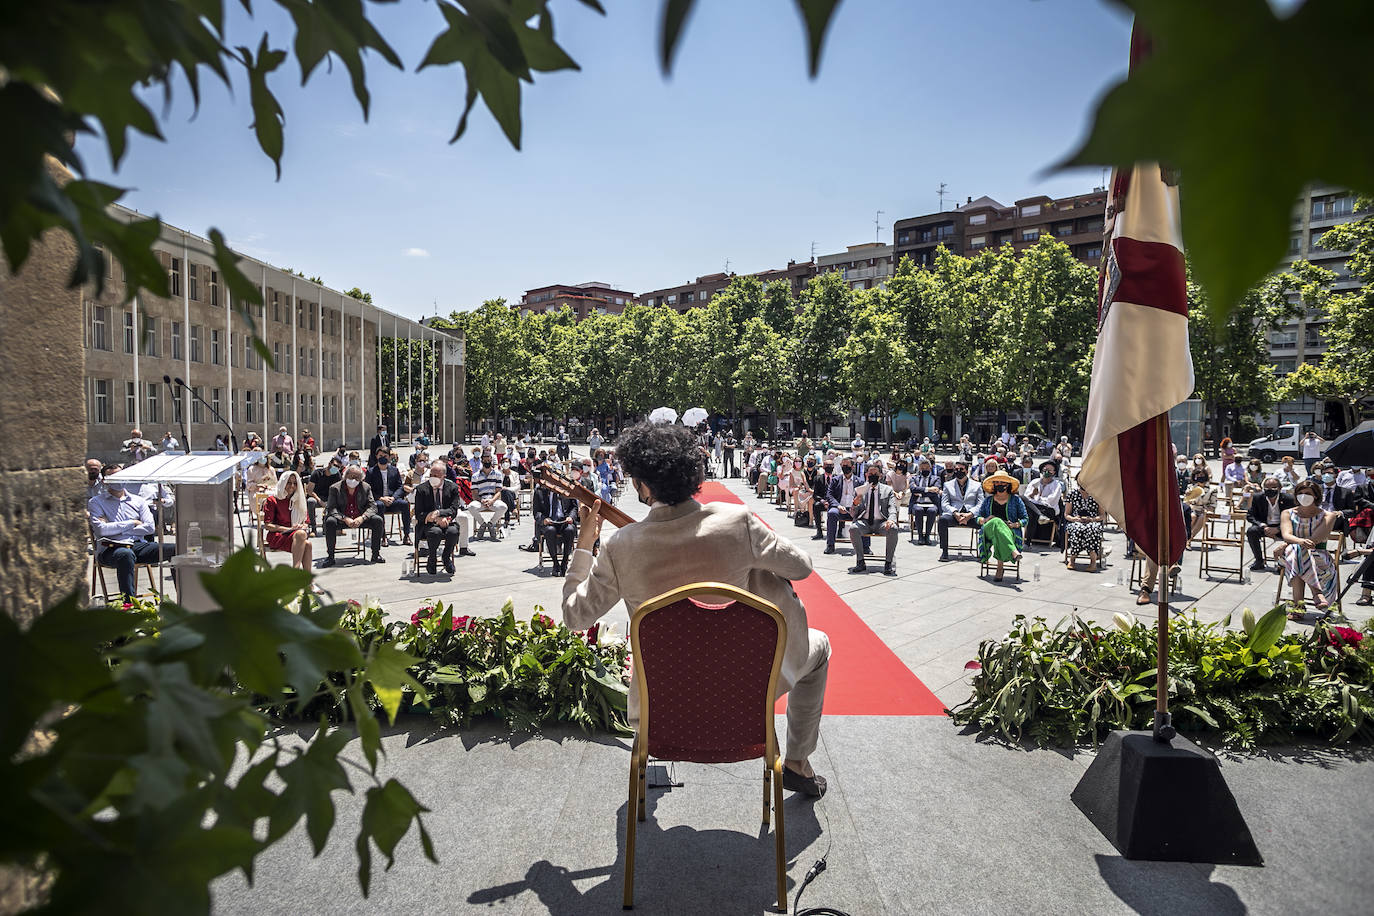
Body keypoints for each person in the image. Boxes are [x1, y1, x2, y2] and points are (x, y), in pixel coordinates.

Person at [561, 421, 832, 797]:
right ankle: (798, 762)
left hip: (661, 709)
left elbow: (575, 617)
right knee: (820, 648)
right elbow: (801, 567)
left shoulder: (621, 546)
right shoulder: (736, 521)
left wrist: (583, 543)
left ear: (642, 484)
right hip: (747, 695)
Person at [89, 475, 177, 598]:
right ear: (104, 481)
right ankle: (129, 604)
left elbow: (150, 528)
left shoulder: (138, 500)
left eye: (120, 476)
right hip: (111, 548)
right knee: (125, 554)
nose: (119, 481)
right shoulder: (96, 502)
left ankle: (184, 599)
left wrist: (115, 529)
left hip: (138, 545)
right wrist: (132, 523)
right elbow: (101, 530)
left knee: (176, 549)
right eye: (113, 478)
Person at [1280, 479, 1340, 615]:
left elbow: (1316, 539)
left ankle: (1298, 607)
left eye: (1307, 493)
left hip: (1318, 556)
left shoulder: (1328, 515)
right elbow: (1286, 535)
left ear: (1316, 496)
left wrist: (1299, 543)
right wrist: (1300, 542)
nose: (1303, 496)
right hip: (1292, 554)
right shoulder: (1287, 513)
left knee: (1297, 554)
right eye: (1300, 493)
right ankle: (1316, 592)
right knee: (1297, 551)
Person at [414, 459, 472, 574]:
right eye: (431, 474)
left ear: (444, 476)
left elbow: (453, 509)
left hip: (447, 521)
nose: (433, 477)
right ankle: (432, 557)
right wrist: (435, 518)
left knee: (453, 531)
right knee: (435, 532)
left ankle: (446, 557)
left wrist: (441, 514)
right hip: (428, 524)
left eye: (436, 475)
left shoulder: (452, 488)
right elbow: (419, 513)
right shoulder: (421, 489)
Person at [320, 465, 386, 566]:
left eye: (356, 477)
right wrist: (344, 518)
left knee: (378, 520)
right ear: (345, 476)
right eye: (351, 476)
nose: (353, 480)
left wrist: (363, 517)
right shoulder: (335, 488)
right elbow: (331, 508)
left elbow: (372, 506)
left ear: (361, 479)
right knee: (329, 521)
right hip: (342, 518)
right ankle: (330, 556)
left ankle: (375, 554)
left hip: (360, 517)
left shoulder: (366, 487)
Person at [848, 462, 898, 575]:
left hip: (881, 522)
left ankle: (888, 563)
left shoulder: (887, 490)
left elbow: (892, 507)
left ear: (880, 475)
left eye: (875, 473)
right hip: (864, 522)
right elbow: (853, 514)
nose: (873, 475)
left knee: (893, 529)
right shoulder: (859, 490)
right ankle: (860, 561)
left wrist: (891, 520)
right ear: (866, 475)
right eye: (871, 473)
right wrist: (855, 504)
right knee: (853, 529)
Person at [977, 470, 1026, 581]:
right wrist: (985, 520)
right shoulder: (988, 500)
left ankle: (1000, 568)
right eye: (997, 482)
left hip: (1009, 530)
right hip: (988, 529)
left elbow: (1025, 519)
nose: (1000, 484)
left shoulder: (1016, 500)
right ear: (994, 484)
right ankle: (1013, 551)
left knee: (998, 534)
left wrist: (1015, 524)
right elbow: (978, 518)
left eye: (1002, 482)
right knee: (997, 521)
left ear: (1007, 484)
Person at [262, 471, 313, 570]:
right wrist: (290, 529)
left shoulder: (299, 500)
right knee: (301, 535)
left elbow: (306, 521)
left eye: (295, 483)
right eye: (289, 483)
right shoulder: (272, 500)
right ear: (283, 483)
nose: (292, 486)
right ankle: (296, 571)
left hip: (295, 536)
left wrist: (302, 526)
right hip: (278, 535)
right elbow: (268, 525)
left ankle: (307, 580)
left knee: (307, 543)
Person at [1246, 477, 1294, 572]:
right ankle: (1259, 561)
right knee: (1251, 531)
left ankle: (1283, 562)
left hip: (1283, 527)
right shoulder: (1258, 497)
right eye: (1267, 487)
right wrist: (1262, 525)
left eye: (1273, 487)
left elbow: (1294, 517)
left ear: (1280, 488)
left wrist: (1279, 528)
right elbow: (1250, 515)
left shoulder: (1289, 499)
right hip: (1265, 526)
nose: (1270, 490)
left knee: (1294, 533)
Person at [364, 451, 412, 546]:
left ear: (389, 457)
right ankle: (383, 536)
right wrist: (381, 498)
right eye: (380, 455)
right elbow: (368, 490)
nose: (383, 457)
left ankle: (406, 535)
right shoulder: (371, 472)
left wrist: (393, 498)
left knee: (404, 504)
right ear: (376, 456)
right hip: (379, 501)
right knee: (379, 505)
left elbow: (400, 487)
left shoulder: (394, 470)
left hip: (392, 500)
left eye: (385, 456)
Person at [937, 460, 982, 561]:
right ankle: (944, 551)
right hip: (954, 514)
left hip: (971, 515)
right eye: (956, 469)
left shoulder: (977, 485)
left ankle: (983, 552)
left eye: (961, 469)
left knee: (985, 524)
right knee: (942, 520)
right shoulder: (948, 485)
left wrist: (970, 514)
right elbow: (944, 503)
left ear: (967, 471)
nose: (958, 471)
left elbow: (980, 503)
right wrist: (955, 513)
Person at [534, 482, 579, 576]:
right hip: (549, 521)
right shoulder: (539, 491)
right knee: (550, 531)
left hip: (564, 520)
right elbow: (536, 512)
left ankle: (565, 561)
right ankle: (555, 562)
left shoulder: (567, 489)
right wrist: (543, 520)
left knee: (569, 530)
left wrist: (571, 517)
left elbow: (574, 507)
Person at [1064, 486, 1106, 572]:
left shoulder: (1098, 494)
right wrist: (1074, 519)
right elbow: (1067, 514)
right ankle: (1072, 559)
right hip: (1076, 521)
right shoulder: (1072, 494)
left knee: (1092, 529)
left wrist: (1092, 519)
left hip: (1093, 521)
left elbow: (1102, 515)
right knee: (1078, 529)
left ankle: (1093, 562)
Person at [1023, 460, 1065, 547]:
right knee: (1023, 501)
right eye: (1045, 469)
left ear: (1054, 472)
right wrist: (1033, 494)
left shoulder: (1056, 485)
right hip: (1034, 508)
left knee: (1032, 512)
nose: (1047, 472)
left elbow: (1052, 500)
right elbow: (1026, 497)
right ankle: (1028, 542)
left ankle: (1027, 542)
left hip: (1048, 509)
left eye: (1050, 470)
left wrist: (1038, 499)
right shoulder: (1035, 482)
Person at [824, 458, 861, 554]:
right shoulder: (836, 480)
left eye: (847, 466)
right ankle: (830, 545)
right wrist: (837, 506)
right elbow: (829, 495)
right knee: (832, 513)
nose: (845, 468)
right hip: (839, 508)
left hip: (854, 509)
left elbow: (863, 497)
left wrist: (855, 506)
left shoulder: (859, 481)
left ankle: (865, 547)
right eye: (843, 466)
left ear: (852, 467)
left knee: (864, 516)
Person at [468, 453, 508, 534]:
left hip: (493, 500)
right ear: (482, 461)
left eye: (489, 460)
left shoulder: (497, 474)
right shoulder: (475, 476)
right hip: (481, 501)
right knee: (471, 507)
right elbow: (474, 493)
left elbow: (498, 491)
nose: (487, 462)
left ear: (491, 461)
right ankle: (482, 524)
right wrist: (481, 500)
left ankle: (491, 523)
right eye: (485, 460)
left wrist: (492, 501)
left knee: (503, 507)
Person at [908, 457, 941, 546]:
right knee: (919, 510)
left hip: (931, 503)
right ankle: (920, 536)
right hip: (917, 503)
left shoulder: (936, 478)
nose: (924, 470)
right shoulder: (914, 478)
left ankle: (927, 536)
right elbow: (913, 489)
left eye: (926, 468)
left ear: (930, 468)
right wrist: (928, 489)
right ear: (919, 468)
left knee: (932, 511)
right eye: (922, 468)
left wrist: (921, 493)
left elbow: (935, 492)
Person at [306, 455, 343, 535]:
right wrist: (320, 500)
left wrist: (330, 501)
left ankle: (331, 526)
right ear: (330, 464)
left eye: (339, 467)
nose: (336, 468)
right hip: (316, 497)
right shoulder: (316, 473)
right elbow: (309, 491)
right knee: (310, 501)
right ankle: (313, 528)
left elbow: (339, 491)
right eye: (335, 466)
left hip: (330, 498)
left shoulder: (337, 475)